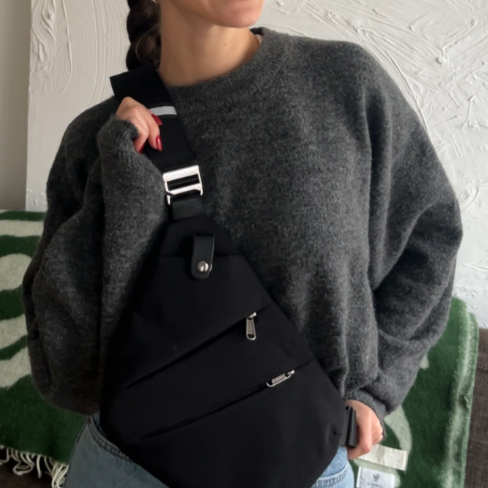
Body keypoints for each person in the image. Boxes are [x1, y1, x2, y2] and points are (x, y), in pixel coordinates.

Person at [21, 0, 463, 487]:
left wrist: (375, 388)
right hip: (126, 469)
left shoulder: (344, 84)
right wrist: (123, 178)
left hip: (304, 463)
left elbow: (430, 237)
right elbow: (69, 378)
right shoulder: (97, 138)